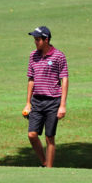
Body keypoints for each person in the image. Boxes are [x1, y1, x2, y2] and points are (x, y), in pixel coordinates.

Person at [22, 26, 69, 167]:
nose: (35, 42)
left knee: (49, 137)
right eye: (35, 39)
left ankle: (49, 168)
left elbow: (64, 80)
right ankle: (44, 162)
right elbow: (31, 80)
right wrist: (27, 103)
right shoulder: (33, 56)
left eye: (38, 39)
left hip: (53, 101)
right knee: (32, 134)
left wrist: (62, 105)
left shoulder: (59, 56)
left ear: (46, 40)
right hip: (37, 101)